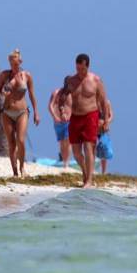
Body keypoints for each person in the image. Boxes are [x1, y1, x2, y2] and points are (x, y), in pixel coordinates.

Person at [63, 53, 110, 188]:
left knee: (89, 147)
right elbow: (63, 96)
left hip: (91, 116)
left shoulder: (96, 80)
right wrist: (62, 109)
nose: (79, 72)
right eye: (77, 69)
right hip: (75, 117)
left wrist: (105, 120)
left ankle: (89, 180)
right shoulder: (71, 81)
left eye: (82, 69)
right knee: (77, 152)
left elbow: (103, 102)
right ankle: (85, 171)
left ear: (87, 66)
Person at [0, 49, 39, 177]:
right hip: (7, 112)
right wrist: (2, 93)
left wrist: (36, 112)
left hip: (22, 111)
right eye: (11, 63)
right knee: (11, 143)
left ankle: (22, 168)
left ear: (20, 62)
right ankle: (14, 172)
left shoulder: (27, 76)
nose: (13, 65)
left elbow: (32, 94)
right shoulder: (4, 75)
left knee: (21, 140)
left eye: (15, 63)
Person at [48, 84, 73, 166]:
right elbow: (50, 106)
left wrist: (71, 117)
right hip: (58, 122)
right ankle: (64, 162)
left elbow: (75, 107)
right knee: (62, 143)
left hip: (69, 122)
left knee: (68, 141)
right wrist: (54, 116)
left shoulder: (72, 94)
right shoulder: (56, 93)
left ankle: (66, 163)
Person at [96, 98, 115, 175]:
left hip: (103, 130)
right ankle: (90, 168)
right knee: (91, 147)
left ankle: (103, 172)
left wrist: (106, 123)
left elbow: (111, 116)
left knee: (104, 148)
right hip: (94, 128)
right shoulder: (92, 101)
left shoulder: (107, 102)